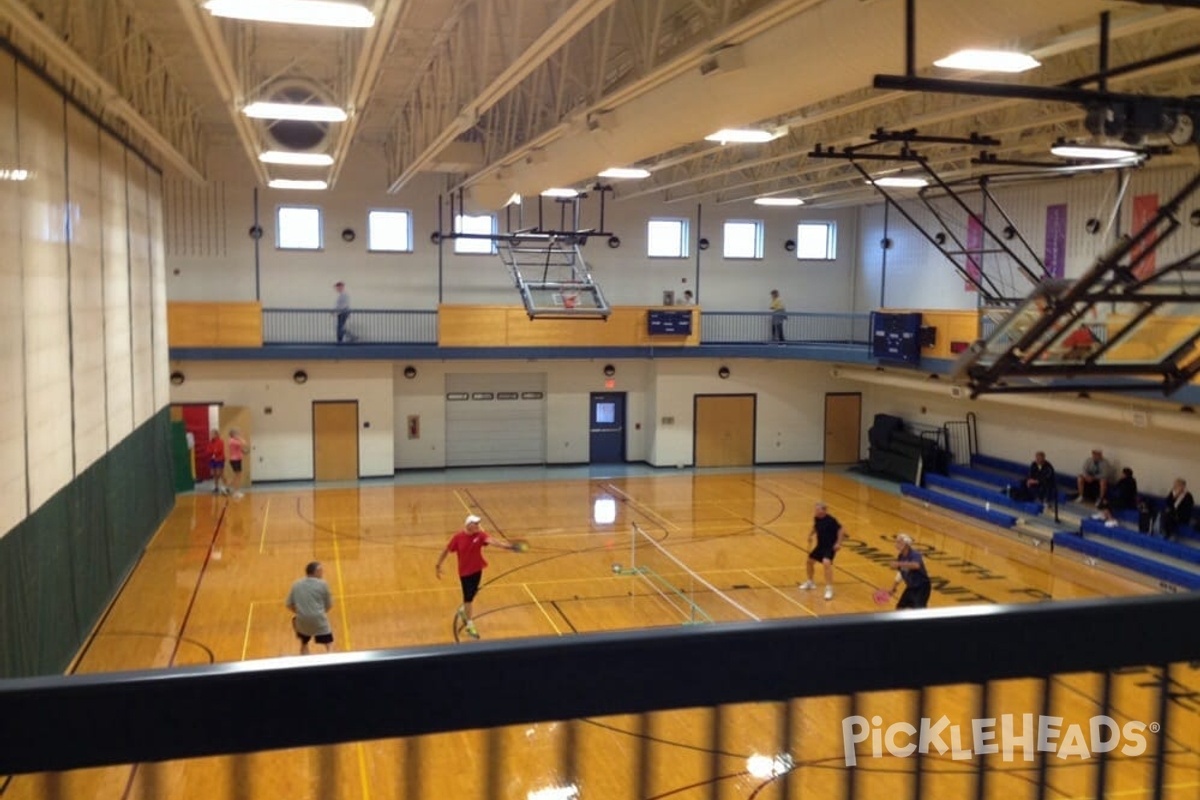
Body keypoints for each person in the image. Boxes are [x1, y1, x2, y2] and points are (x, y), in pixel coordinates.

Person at [435, 514, 521, 639]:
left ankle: (464, 610)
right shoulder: (458, 537)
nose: (478, 525)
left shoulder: (480, 535)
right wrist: (438, 565)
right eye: (475, 523)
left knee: (473, 594)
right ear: (468, 525)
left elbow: (492, 541)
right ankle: (469, 625)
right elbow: (446, 550)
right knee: (468, 598)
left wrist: (507, 546)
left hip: (477, 570)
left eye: (478, 523)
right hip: (465, 573)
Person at [799, 502, 846, 600]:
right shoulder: (817, 518)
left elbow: (841, 530)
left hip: (830, 546)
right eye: (815, 510)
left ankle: (829, 589)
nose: (815, 511)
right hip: (820, 545)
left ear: (823, 511)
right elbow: (815, 527)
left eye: (817, 510)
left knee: (826, 562)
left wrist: (838, 543)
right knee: (809, 561)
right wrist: (811, 534)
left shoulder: (831, 520)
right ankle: (810, 582)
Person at [285, 561, 334, 655]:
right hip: (319, 620)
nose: (322, 573)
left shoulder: (296, 584)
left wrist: (299, 612)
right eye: (321, 571)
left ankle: (305, 665)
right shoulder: (323, 584)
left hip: (302, 621)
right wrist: (319, 613)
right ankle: (333, 665)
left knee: (304, 643)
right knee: (329, 644)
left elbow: (288, 604)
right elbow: (329, 605)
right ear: (316, 572)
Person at [888, 533, 931, 609]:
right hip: (911, 587)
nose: (896, 544)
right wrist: (893, 587)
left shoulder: (915, 554)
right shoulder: (901, 556)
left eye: (899, 542)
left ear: (906, 545)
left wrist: (899, 564)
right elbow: (901, 573)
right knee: (900, 607)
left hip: (922, 587)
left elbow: (916, 565)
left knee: (918, 612)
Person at [226, 428, 249, 499]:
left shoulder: (234, 441)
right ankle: (235, 492)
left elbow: (239, 449)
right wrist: (239, 438)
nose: (238, 435)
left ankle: (228, 487)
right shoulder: (232, 441)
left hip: (238, 459)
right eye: (237, 433)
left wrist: (243, 451)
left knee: (237, 476)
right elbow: (244, 443)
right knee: (237, 476)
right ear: (233, 434)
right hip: (234, 460)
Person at [208, 429, 225, 494]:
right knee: (213, 474)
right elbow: (208, 450)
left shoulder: (220, 441)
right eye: (211, 434)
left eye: (212, 434)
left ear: (216, 434)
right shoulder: (210, 442)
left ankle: (225, 487)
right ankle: (216, 487)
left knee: (219, 473)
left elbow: (219, 450)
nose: (211, 435)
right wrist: (213, 451)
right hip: (212, 460)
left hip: (219, 459)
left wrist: (214, 451)